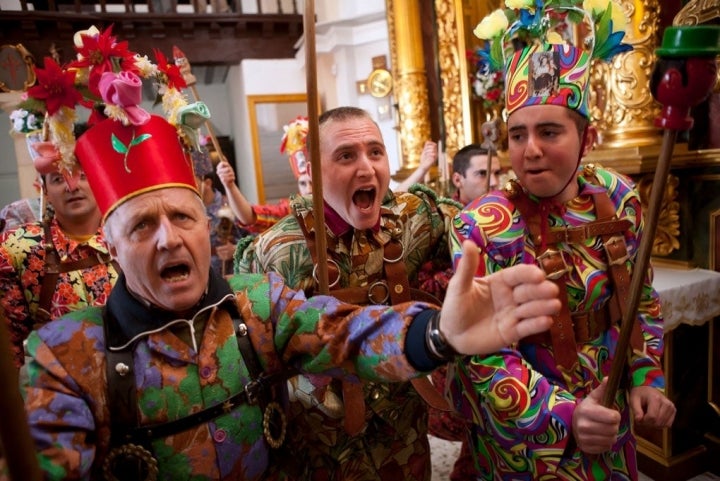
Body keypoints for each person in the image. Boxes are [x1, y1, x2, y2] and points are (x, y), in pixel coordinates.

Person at [0, 78, 562, 480]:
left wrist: (441, 333)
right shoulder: (65, 356)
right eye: (143, 226)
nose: (169, 239)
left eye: (185, 217)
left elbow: (350, 333)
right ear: (111, 244)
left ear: (204, 225)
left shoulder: (259, 308)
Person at [448, 2, 676, 479]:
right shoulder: (481, 226)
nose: (529, 151)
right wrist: (566, 414)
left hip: (609, 402)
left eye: (549, 132)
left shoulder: (620, 198)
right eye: (516, 135)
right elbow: (481, 354)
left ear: (587, 137)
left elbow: (640, 302)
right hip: (524, 432)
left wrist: (645, 376)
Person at [235, 106, 468, 480]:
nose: (366, 167)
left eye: (375, 152)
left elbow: (483, 237)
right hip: (321, 448)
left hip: (403, 435)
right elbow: (249, 356)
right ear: (311, 172)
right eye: (346, 156)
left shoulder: (415, 216)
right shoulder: (274, 250)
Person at [0, 117, 118, 369]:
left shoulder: (130, 238)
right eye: (57, 178)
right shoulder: (19, 249)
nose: (71, 186)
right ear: (43, 190)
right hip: (59, 392)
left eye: (83, 175)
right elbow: (10, 349)